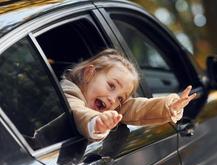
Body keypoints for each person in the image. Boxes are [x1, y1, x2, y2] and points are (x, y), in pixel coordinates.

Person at [61, 48, 196, 141]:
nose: (112, 99)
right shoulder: (68, 90)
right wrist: (97, 122)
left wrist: (169, 106)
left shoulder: (113, 108)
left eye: (120, 98)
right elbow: (77, 111)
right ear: (89, 73)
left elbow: (138, 109)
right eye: (111, 85)